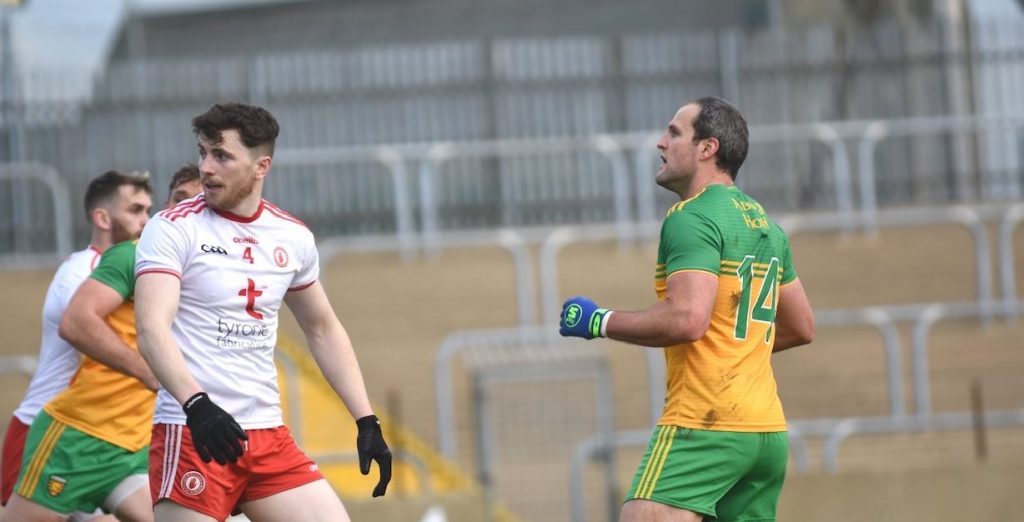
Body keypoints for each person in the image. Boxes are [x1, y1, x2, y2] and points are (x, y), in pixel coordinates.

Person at [558, 97, 815, 522]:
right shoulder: (767, 226)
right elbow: (801, 326)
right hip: (766, 432)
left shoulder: (691, 217)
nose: (661, 142)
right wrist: (733, 349)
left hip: (707, 423)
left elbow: (687, 319)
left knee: (643, 515)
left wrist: (598, 321)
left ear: (707, 148)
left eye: (675, 132)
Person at [134, 102, 392, 522]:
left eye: (221, 156)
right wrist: (197, 404)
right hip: (194, 431)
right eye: (203, 153)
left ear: (261, 166)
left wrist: (367, 421)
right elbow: (151, 329)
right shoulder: (172, 228)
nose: (206, 168)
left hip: (267, 435)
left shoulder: (292, 236)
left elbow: (322, 329)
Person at [0, 171, 153, 522]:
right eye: (135, 210)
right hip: (56, 429)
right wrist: (151, 372)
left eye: (148, 210)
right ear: (103, 218)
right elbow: (80, 326)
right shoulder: (88, 271)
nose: (145, 220)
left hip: (104, 433)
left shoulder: (120, 266)